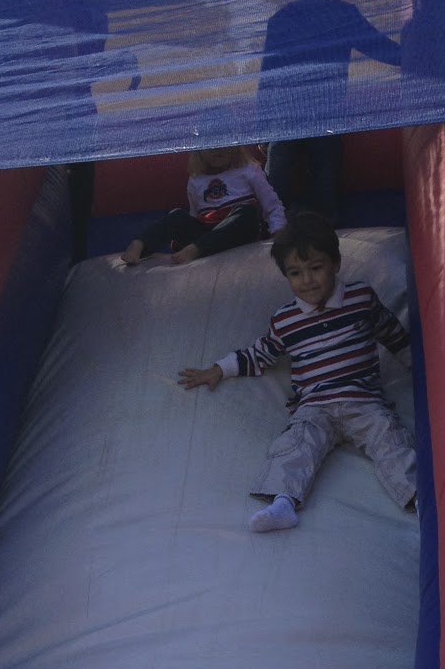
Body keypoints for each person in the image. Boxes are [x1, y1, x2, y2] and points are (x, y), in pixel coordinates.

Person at [178, 212, 415, 533]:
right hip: (314, 406)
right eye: (295, 273)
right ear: (286, 276)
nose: (307, 280)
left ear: (335, 264)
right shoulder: (286, 320)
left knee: (390, 439)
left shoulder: (360, 298)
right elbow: (261, 353)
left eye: (316, 268)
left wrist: (416, 364)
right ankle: (283, 503)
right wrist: (219, 369)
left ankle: (418, 497)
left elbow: (391, 332)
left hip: (363, 400)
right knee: (294, 447)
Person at [258, 0, 401, 224]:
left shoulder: (342, 14)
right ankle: (275, 229)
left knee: (325, 178)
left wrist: (414, 56)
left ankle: (325, 225)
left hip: (326, 116)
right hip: (287, 117)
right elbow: (268, 76)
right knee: (276, 176)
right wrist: (262, 128)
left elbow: (378, 46)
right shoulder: (280, 21)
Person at [49, 0, 118, 260]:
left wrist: (114, 63)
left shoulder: (97, 12)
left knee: (80, 194)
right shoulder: (49, 3)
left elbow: (84, 70)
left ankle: (76, 260)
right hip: (46, 115)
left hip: (80, 111)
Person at [122, 147, 286, 267]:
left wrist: (278, 233)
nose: (218, 149)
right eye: (211, 146)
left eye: (224, 143)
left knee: (247, 213)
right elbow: (194, 217)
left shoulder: (249, 170)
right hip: (208, 234)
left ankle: (196, 249)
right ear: (199, 150)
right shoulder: (196, 180)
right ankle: (140, 244)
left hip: (237, 233)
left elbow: (272, 206)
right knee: (177, 215)